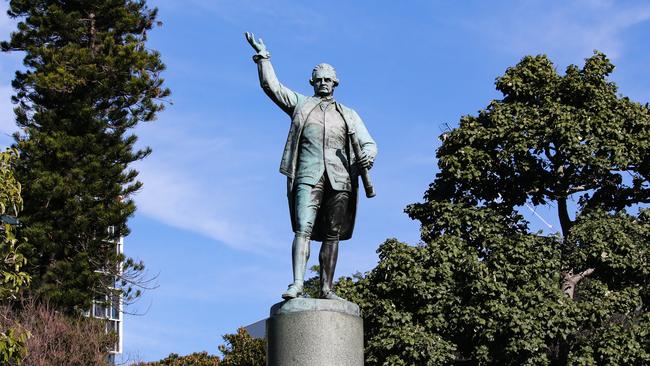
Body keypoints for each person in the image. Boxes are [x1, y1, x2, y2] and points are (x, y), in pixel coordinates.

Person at [245, 32, 377, 300]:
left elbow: (369, 143)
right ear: (312, 83)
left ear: (336, 83)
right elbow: (273, 88)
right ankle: (297, 283)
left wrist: (369, 156)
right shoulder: (301, 105)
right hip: (308, 173)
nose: (323, 84)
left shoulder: (348, 114)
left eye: (328, 80)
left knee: (333, 234)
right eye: (319, 80)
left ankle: (327, 289)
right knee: (302, 229)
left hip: (340, 179)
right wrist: (263, 58)